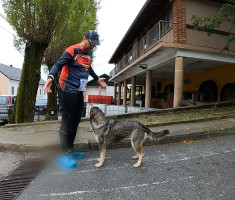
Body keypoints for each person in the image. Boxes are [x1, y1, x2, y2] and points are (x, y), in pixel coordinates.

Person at [44, 30, 107, 167]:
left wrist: (97, 79)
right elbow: (57, 65)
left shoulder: (89, 53)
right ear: (84, 38)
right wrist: (50, 77)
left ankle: (70, 149)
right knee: (67, 120)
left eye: (94, 45)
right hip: (67, 90)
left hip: (79, 91)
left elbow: (88, 68)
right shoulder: (72, 50)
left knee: (76, 119)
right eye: (91, 43)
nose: (92, 47)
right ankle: (64, 154)